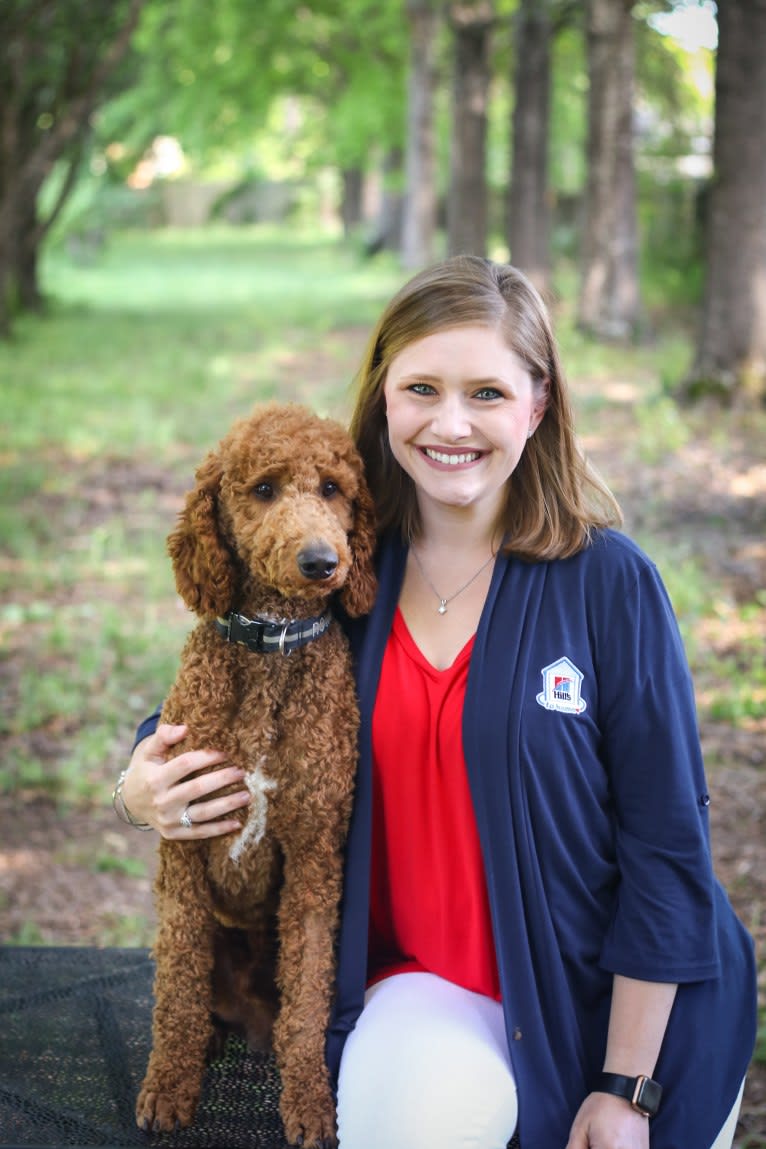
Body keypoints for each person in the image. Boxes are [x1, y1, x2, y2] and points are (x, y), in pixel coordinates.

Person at [119, 256, 757, 1149]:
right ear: (386, 400)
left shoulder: (610, 584)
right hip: (425, 982)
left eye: (487, 393)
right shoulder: (342, 566)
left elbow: (668, 847)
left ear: (538, 405)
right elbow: (237, 684)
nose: (451, 423)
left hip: (616, 1007)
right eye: (422, 387)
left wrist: (625, 1086)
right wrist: (141, 774)